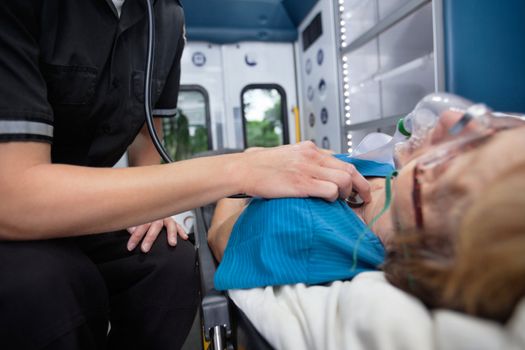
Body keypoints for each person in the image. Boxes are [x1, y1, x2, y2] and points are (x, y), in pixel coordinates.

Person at [0, 1, 369, 349]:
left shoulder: (166, 17)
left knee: (170, 263)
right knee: (50, 282)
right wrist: (243, 168)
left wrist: (153, 207)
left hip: (89, 202)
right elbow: (13, 196)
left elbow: (148, 137)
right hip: (22, 204)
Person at [208, 99, 525, 322]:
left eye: (470, 152)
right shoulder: (391, 176)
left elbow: (217, 236)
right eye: (496, 129)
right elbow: (319, 156)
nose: (449, 119)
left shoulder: (300, 230)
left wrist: (249, 161)